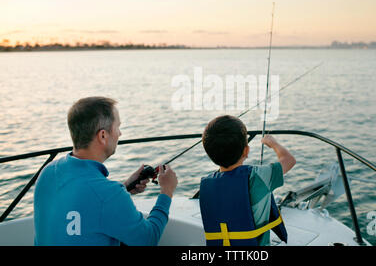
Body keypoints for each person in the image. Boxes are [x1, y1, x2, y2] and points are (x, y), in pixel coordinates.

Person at [34, 96, 178, 246]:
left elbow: (85, 203)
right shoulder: (109, 195)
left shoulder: (47, 173)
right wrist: (166, 191)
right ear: (103, 135)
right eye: (118, 127)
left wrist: (125, 187)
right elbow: (148, 239)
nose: (120, 134)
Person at [199, 115, 296, 246]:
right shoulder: (258, 176)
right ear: (246, 150)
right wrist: (273, 143)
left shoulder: (207, 184)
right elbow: (289, 160)